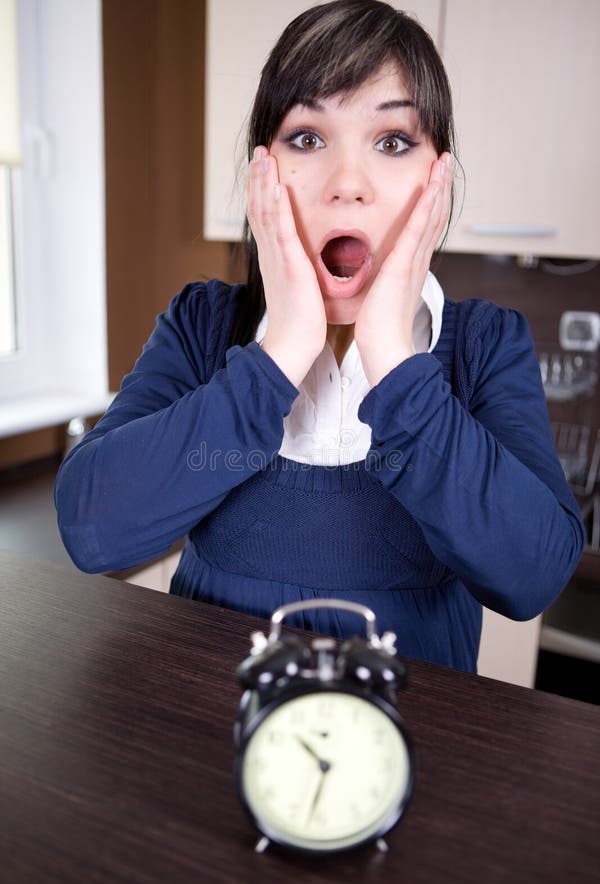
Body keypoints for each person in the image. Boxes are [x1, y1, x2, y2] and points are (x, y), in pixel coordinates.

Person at [54, 0, 584, 674]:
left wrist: (394, 360)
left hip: (414, 754)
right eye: (307, 137)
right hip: (211, 743)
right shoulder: (202, 325)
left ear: (437, 180)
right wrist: (281, 353)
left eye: (393, 141)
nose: (348, 185)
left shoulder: (484, 346)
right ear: (262, 174)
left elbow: (533, 574)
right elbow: (90, 529)